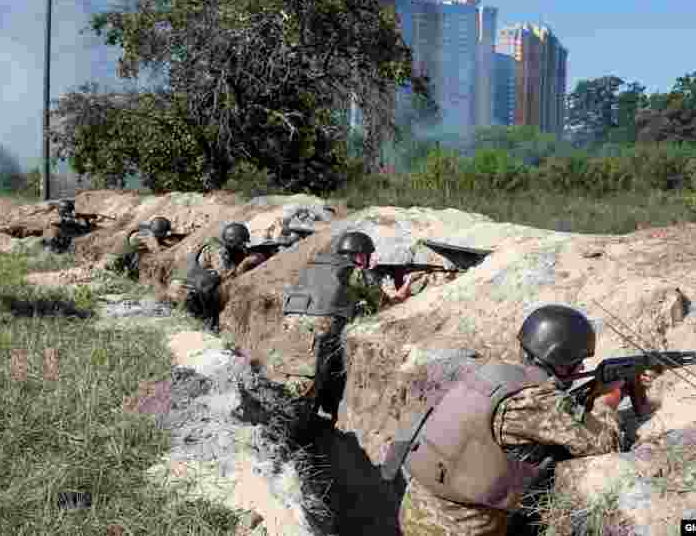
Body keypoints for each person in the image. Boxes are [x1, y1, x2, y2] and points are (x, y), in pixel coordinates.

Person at [389, 304, 660, 536]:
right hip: (458, 529)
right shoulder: (533, 402)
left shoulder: (491, 374)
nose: (581, 369)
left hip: (416, 508)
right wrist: (608, 400)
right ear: (559, 359)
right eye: (577, 362)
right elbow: (605, 444)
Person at [279, 230, 416, 437]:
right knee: (305, 388)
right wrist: (401, 293)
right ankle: (292, 437)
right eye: (367, 256)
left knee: (288, 376)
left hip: (290, 327)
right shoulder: (352, 272)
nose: (369, 260)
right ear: (360, 255)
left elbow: (338, 300)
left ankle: (296, 426)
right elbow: (383, 305)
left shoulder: (316, 267)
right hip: (314, 333)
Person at [181, 222, 266, 332]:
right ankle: (208, 320)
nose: (243, 246)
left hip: (198, 289)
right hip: (193, 294)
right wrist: (246, 262)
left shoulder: (225, 246)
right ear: (232, 242)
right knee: (220, 286)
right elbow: (230, 277)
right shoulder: (218, 250)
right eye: (241, 243)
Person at [104, 216, 178, 281]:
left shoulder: (147, 227)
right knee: (130, 279)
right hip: (115, 262)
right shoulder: (147, 236)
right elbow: (157, 251)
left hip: (116, 258)